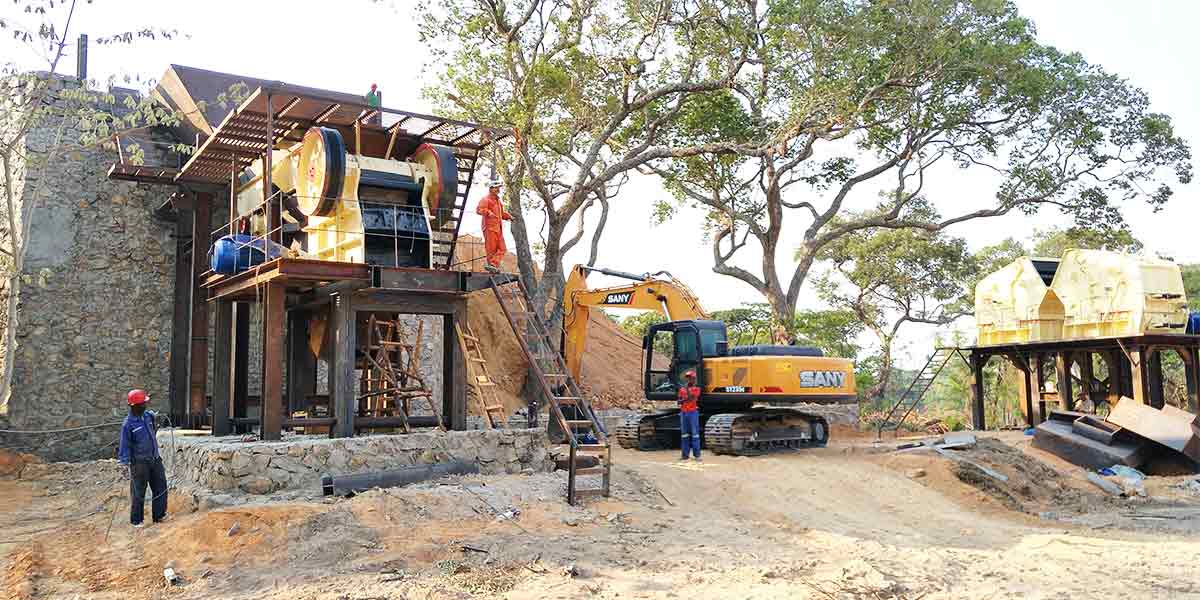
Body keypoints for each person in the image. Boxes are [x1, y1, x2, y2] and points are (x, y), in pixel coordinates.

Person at [117, 389, 168, 528]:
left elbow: (153, 428)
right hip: (139, 463)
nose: (146, 405)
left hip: (155, 458)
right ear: (135, 406)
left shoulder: (148, 416)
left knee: (161, 487)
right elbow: (124, 445)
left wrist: (156, 418)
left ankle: (159, 515)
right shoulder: (128, 424)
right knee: (139, 491)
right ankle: (136, 521)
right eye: (143, 403)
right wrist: (124, 464)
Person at [475, 179, 512, 273]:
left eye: (499, 188)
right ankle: (492, 266)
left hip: (498, 228)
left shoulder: (498, 202)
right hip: (489, 228)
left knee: (502, 248)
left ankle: (493, 264)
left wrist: (509, 217)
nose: (498, 190)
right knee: (491, 249)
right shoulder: (485, 199)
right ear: (491, 188)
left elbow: (502, 214)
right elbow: (479, 209)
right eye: (496, 188)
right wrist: (488, 212)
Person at [677, 370, 702, 462]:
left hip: (692, 413)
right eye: (687, 378)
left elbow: (691, 398)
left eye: (690, 377)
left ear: (694, 379)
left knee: (695, 434)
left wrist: (683, 398)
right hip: (684, 413)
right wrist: (682, 400)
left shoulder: (696, 388)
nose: (689, 379)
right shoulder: (682, 389)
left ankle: (697, 455)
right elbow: (679, 400)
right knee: (684, 435)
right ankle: (685, 455)